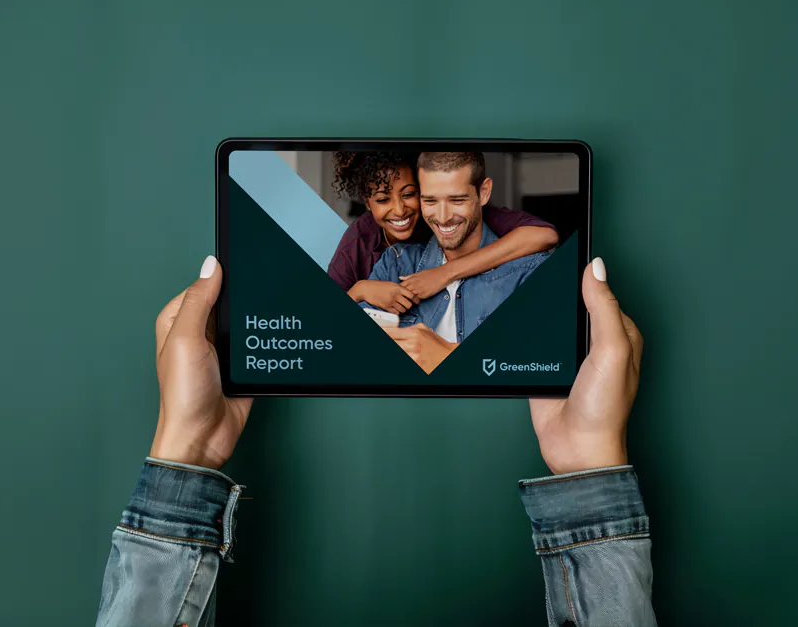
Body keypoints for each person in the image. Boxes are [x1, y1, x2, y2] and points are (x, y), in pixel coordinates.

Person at [96, 255, 655, 627]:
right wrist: (591, 462)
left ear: (484, 194)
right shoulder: (393, 262)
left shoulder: (514, 261)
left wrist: (186, 446)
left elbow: (539, 239)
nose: (429, 214)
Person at [362, 152, 551, 373]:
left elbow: (543, 366)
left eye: (457, 200)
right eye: (430, 200)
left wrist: (447, 354)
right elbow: (350, 352)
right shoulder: (395, 263)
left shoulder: (528, 272)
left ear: (484, 192)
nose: (442, 217)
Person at [327, 151, 559, 315]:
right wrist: (360, 290)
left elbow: (545, 235)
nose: (398, 210)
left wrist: (444, 273)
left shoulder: (470, 214)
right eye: (382, 200)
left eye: (409, 194)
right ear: (368, 204)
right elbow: (323, 322)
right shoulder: (363, 240)